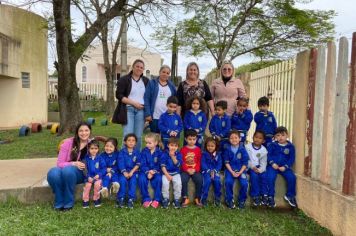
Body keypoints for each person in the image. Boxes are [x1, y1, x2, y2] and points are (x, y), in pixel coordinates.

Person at [47, 122, 92, 211]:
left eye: (86, 130)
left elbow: (96, 162)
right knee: (53, 173)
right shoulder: (68, 142)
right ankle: (59, 202)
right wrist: (73, 163)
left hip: (82, 172)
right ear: (77, 132)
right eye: (81, 131)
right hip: (66, 168)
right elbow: (59, 163)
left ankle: (68, 203)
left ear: (90, 131)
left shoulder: (92, 144)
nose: (84, 133)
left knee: (68, 171)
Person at [113, 59, 149, 149]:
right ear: (133, 67)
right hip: (128, 110)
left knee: (138, 136)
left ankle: (136, 158)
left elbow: (148, 97)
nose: (139, 69)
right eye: (137, 66)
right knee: (128, 136)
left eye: (141, 67)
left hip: (141, 111)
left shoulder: (146, 81)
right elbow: (119, 95)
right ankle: (124, 158)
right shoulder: (124, 79)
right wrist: (133, 103)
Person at [266, 126, 297, 208]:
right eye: (278, 135)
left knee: (292, 177)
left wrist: (286, 167)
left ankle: (289, 196)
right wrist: (272, 163)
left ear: (287, 135)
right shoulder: (272, 145)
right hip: (273, 166)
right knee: (270, 177)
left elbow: (291, 159)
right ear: (275, 137)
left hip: (284, 167)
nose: (280, 137)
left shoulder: (291, 147)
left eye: (283, 135)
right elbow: (268, 156)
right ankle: (270, 196)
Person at [144, 65, 177, 133]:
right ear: (159, 72)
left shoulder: (171, 86)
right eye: (163, 72)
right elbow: (146, 99)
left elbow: (175, 101)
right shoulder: (152, 83)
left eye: (167, 73)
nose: (165, 74)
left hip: (168, 117)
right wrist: (148, 114)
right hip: (155, 117)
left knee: (166, 138)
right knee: (155, 139)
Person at [223, 130, 249, 209]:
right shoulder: (227, 149)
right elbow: (226, 162)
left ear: (240, 139)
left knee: (244, 183)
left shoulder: (243, 150)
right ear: (229, 139)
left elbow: (245, 163)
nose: (234, 140)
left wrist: (240, 172)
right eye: (231, 138)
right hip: (230, 170)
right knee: (228, 182)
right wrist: (232, 172)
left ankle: (241, 201)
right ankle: (229, 200)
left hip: (241, 170)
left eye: (236, 138)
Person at [138, 133, 163, 208]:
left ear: (156, 143)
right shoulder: (144, 151)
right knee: (141, 179)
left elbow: (160, 164)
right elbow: (142, 164)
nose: (147, 145)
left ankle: (157, 199)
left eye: (149, 143)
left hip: (156, 172)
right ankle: (146, 199)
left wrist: (154, 171)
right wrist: (147, 172)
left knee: (159, 179)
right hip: (145, 171)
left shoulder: (159, 152)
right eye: (146, 143)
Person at [116, 133, 141, 209]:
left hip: (133, 172)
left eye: (133, 140)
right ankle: (121, 198)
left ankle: (131, 199)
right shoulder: (122, 152)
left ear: (136, 143)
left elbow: (138, 163)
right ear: (125, 142)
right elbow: (120, 163)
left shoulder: (137, 152)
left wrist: (132, 172)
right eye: (129, 140)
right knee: (122, 181)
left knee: (133, 181)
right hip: (123, 172)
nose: (131, 142)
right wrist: (124, 172)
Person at [180, 129, 203, 207]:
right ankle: (185, 198)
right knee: (183, 180)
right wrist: (187, 169)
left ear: (196, 139)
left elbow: (199, 162)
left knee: (199, 180)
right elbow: (182, 161)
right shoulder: (183, 149)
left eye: (194, 139)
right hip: (185, 170)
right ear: (186, 139)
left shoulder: (198, 150)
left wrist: (195, 169)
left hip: (195, 170)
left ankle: (198, 198)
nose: (192, 141)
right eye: (190, 139)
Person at [245, 130, 268, 206]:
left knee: (264, 176)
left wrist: (260, 170)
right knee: (254, 176)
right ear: (253, 137)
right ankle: (255, 196)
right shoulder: (247, 147)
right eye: (256, 137)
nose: (257, 139)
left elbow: (263, 163)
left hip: (259, 167)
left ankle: (264, 194)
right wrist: (252, 167)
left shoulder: (264, 150)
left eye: (260, 138)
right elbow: (246, 159)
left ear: (263, 140)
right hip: (249, 167)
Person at [82, 140, 106, 208]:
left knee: (97, 185)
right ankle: (85, 201)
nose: (94, 150)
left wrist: (99, 175)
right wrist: (88, 177)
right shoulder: (85, 158)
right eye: (92, 148)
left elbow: (104, 168)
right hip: (88, 177)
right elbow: (84, 169)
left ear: (98, 149)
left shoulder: (100, 158)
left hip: (97, 177)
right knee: (87, 186)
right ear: (88, 149)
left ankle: (96, 199)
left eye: (96, 148)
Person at [160, 137, 183, 209]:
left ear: (178, 147)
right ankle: (165, 199)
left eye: (175, 146)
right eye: (172, 145)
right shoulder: (164, 154)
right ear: (168, 145)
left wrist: (173, 156)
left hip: (176, 173)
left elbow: (178, 165)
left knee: (178, 184)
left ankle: (176, 199)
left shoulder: (179, 154)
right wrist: (167, 175)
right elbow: (162, 166)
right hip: (166, 173)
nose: (173, 147)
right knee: (165, 184)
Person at [200, 137, 222, 207]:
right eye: (208, 146)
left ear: (216, 146)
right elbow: (203, 164)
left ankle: (217, 199)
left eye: (212, 146)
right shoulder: (204, 154)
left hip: (215, 172)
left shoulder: (218, 155)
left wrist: (215, 171)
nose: (210, 147)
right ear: (206, 146)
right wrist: (209, 171)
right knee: (207, 181)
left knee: (217, 181)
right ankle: (203, 199)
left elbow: (219, 164)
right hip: (206, 171)